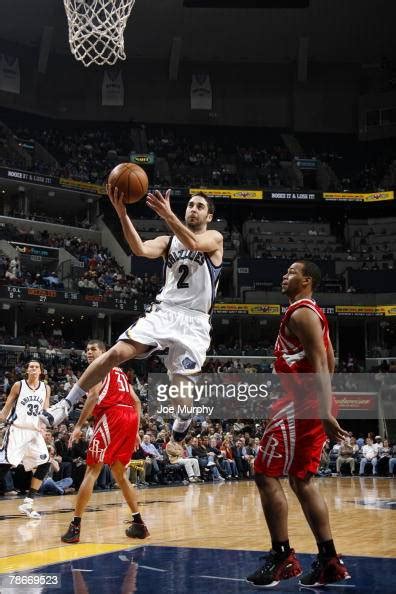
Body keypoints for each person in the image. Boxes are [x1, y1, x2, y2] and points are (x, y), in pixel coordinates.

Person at [41, 188, 223, 442]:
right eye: (191, 205)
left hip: (195, 321)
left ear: (209, 216)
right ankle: (65, 405)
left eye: (199, 206)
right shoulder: (168, 242)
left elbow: (194, 243)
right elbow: (138, 248)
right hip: (165, 312)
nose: (193, 209)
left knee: (180, 393)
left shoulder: (215, 238)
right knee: (115, 353)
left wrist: (168, 214)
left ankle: (184, 418)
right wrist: (122, 213)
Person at [247, 261, 350, 588]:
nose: (284, 276)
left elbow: (321, 362)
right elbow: (329, 359)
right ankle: (329, 561)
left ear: (307, 280)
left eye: (291, 272)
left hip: (301, 403)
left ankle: (282, 558)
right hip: (305, 402)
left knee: (265, 473)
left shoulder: (302, 312)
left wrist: (319, 407)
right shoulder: (312, 313)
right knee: (301, 480)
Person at [61, 340, 148, 543]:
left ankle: (75, 526)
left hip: (112, 415)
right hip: (128, 417)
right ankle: (139, 524)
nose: (89, 352)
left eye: (93, 349)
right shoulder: (120, 372)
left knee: (92, 470)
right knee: (119, 473)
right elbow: (136, 401)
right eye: (87, 349)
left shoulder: (101, 366)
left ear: (103, 352)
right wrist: (135, 431)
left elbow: (93, 396)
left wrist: (78, 426)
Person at [0, 360, 51, 519]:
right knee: (4, 465)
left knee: (45, 463)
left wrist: (45, 426)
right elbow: (7, 406)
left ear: (41, 371)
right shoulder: (18, 385)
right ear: (27, 370)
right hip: (17, 430)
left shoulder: (46, 388)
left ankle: (28, 503)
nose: (33, 369)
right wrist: (2, 418)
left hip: (34, 432)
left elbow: (46, 410)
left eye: (36, 367)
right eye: (31, 367)